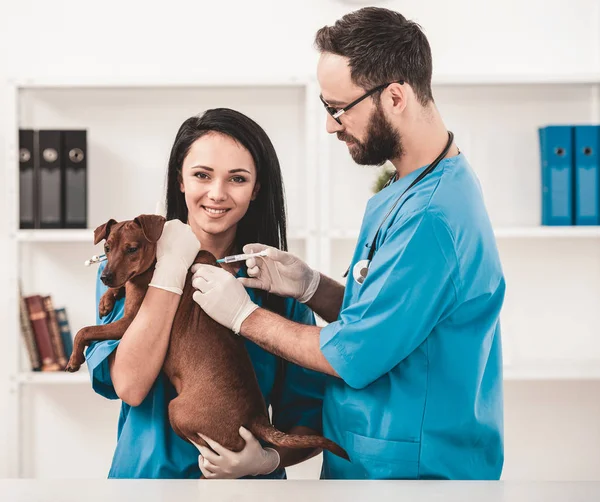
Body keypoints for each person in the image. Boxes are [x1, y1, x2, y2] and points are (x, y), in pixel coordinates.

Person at [189, 7, 506, 480]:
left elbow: (353, 352)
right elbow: (385, 318)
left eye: (338, 109)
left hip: (411, 472)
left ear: (395, 96)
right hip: (367, 459)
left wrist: (244, 316)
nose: (331, 126)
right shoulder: (410, 189)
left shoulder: (432, 217)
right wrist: (311, 286)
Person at [85, 108, 328, 479]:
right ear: (180, 180)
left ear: (256, 188)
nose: (217, 193)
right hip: (146, 487)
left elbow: (306, 424)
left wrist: (267, 462)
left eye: (238, 179)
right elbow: (130, 386)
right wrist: (169, 269)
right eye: (201, 175)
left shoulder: (277, 289)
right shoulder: (127, 274)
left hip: (245, 492)